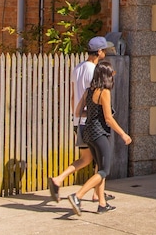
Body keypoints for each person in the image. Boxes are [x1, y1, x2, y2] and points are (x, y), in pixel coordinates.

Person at [49, 36, 116, 203]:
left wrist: (77, 115)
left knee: (86, 159)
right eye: (104, 50)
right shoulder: (95, 71)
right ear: (99, 52)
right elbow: (96, 95)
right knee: (101, 162)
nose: (105, 53)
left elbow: (74, 97)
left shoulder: (77, 68)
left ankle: (59, 179)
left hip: (79, 121)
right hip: (94, 122)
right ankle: (97, 196)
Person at [69, 61, 131, 215]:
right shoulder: (104, 92)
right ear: (106, 76)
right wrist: (123, 134)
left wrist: (92, 114)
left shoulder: (88, 91)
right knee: (104, 170)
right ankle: (77, 196)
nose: (113, 77)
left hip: (87, 133)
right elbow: (108, 119)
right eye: (111, 74)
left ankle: (102, 204)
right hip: (99, 134)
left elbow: (77, 112)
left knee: (99, 167)